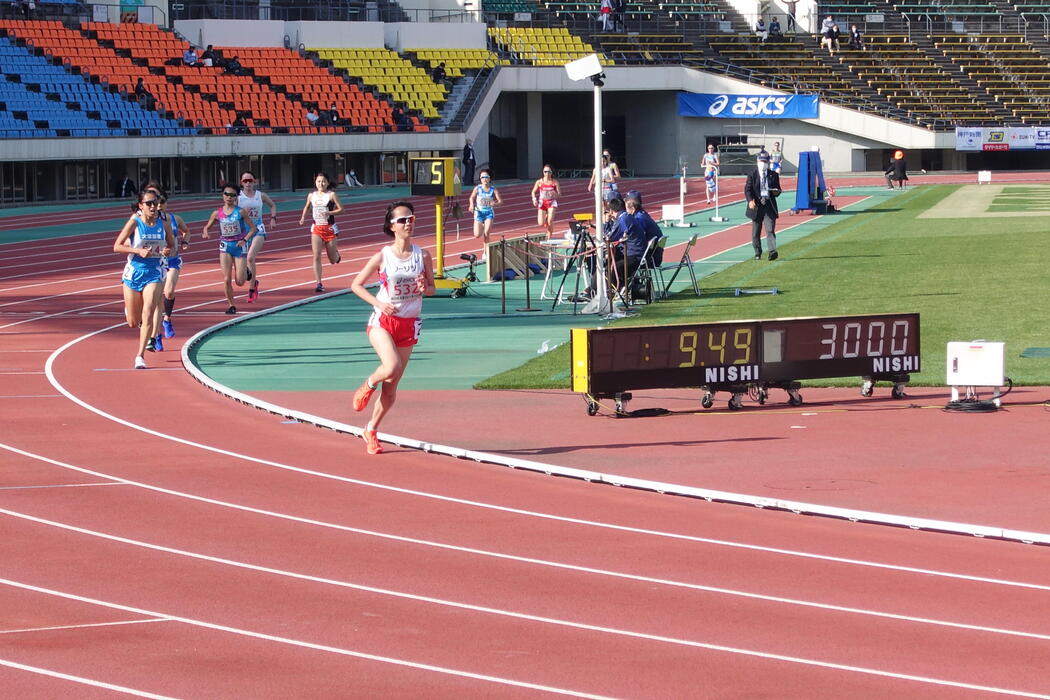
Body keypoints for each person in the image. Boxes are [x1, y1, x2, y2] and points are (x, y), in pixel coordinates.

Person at [349, 200, 435, 455]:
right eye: (402, 220)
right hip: (383, 321)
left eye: (411, 218)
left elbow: (432, 288)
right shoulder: (382, 256)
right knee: (391, 367)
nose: (408, 223)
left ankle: (371, 430)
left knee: (392, 387)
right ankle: (368, 383)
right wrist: (379, 303)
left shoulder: (423, 255)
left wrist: (425, 289)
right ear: (392, 226)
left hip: (409, 323)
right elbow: (356, 285)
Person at [112, 191, 174, 369]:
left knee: (148, 312)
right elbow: (117, 246)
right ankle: (131, 311)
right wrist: (137, 251)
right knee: (133, 322)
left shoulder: (163, 223)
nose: (153, 207)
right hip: (134, 273)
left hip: (154, 272)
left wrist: (167, 251)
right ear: (141, 206)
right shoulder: (135, 222)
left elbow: (172, 244)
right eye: (149, 204)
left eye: (155, 203)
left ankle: (140, 356)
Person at [143, 185, 189, 348]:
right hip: (157, 263)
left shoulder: (174, 219)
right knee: (156, 302)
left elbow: (186, 231)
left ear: (167, 203)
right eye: (157, 202)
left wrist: (185, 241)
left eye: (162, 202)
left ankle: (167, 319)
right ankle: (156, 336)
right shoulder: (150, 221)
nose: (159, 205)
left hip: (173, 261)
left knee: (168, 292)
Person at [201, 185, 258, 314]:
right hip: (225, 246)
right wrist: (205, 231)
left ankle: (246, 272)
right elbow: (207, 226)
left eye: (232, 195)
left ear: (236, 197)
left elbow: (253, 229)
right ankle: (231, 305)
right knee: (226, 278)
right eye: (226, 194)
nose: (229, 197)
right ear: (223, 195)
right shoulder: (217, 213)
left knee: (240, 282)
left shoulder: (241, 212)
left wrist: (244, 240)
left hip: (239, 246)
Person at [298, 172, 344, 293]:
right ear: (315, 182)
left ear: (327, 183)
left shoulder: (332, 195)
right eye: (318, 181)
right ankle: (318, 283)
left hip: (329, 229)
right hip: (317, 229)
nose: (321, 183)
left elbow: (341, 209)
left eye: (323, 181)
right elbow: (307, 207)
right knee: (316, 256)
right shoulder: (311, 195)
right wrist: (303, 217)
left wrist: (330, 213)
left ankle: (336, 255)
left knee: (332, 260)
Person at [238, 171, 278, 303]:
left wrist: (273, 218)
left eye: (250, 180)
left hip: (258, 229)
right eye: (245, 181)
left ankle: (251, 290)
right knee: (242, 271)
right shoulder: (238, 197)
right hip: (244, 231)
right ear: (241, 182)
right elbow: (230, 212)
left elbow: (272, 205)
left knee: (250, 257)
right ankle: (252, 279)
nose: (248, 183)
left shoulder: (260, 195)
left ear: (254, 181)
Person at [745, 151, 782, 261]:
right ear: (757, 161)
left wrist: (776, 192)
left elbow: (778, 189)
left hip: (769, 206)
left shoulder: (773, 175)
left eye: (765, 161)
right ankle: (757, 252)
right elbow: (748, 189)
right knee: (756, 232)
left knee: (770, 229)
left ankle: (772, 251)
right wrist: (750, 201)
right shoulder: (752, 175)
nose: (763, 163)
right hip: (756, 206)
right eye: (761, 161)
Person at [468, 169, 501, 260]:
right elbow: (471, 197)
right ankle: (482, 225)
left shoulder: (493, 189)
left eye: (486, 177)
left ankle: (485, 252)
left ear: (490, 178)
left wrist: (495, 203)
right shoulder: (477, 188)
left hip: (489, 213)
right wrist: (471, 204)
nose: (484, 179)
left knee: (486, 233)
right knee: (477, 235)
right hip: (479, 213)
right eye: (482, 177)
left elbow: (500, 201)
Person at [531, 164, 561, 237]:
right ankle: (546, 217)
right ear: (543, 172)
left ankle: (549, 237)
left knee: (550, 221)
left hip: (551, 202)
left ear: (551, 172)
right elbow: (533, 192)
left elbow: (559, 194)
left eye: (548, 172)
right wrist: (534, 199)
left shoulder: (555, 182)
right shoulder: (539, 182)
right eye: (545, 172)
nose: (547, 173)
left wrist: (555, 194)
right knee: (541, 223)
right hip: (542, 202)